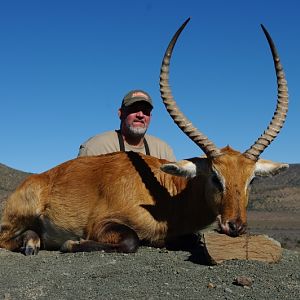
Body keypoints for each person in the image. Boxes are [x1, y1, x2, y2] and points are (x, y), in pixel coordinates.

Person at [78, 89, 176, 161]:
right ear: (120, 114)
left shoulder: (164, 151)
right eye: (134, 109)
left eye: (145, 111)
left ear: (150, 117)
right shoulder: (96, 147)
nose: (140, 115)